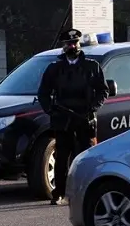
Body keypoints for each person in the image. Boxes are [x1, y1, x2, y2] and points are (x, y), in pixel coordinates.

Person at [37, 28, 109, 205]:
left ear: (79, 44)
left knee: (86, 157)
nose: (72, 46)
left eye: (75, 42)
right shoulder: (54, 69)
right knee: (62, 157)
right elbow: (43, 93)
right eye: (68, 43)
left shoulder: (91, 66)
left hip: (84, 118)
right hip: (63, 119)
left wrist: (92, 108)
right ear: (64, 47)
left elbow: (103, 90)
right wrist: (51, 111)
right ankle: (59, 193)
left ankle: (87, 192)